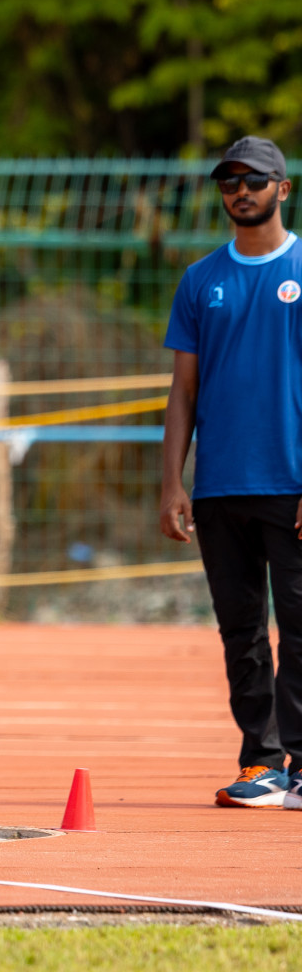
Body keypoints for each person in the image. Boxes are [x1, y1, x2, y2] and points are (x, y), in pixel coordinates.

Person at [160, 135, 302, 809]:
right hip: (220, 485)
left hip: (293, 482)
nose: (240, 190)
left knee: (300, 626)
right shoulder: (200, 280)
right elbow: (183, 389)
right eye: (229, 181)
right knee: (240, 630)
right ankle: (262, 761)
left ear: (284, 188)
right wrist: (172, 482)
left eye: (254, 179)